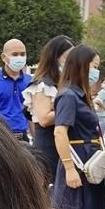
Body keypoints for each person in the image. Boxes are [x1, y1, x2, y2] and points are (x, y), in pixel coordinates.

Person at [51, 43, 105, 209]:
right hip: (78, 160)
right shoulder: (68, 96)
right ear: (81, 65)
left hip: (89, 161)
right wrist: (69, 168)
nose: (96, 72)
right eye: (94, 66)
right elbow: (60, 132)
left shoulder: (80, 96)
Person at [22, 34, 72, 184]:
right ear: (55, 57)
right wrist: (70, 110)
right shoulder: (42, 85)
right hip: (48, 147)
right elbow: (44, 118)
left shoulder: (64, 84)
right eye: (67, 57)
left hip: (63, 146)